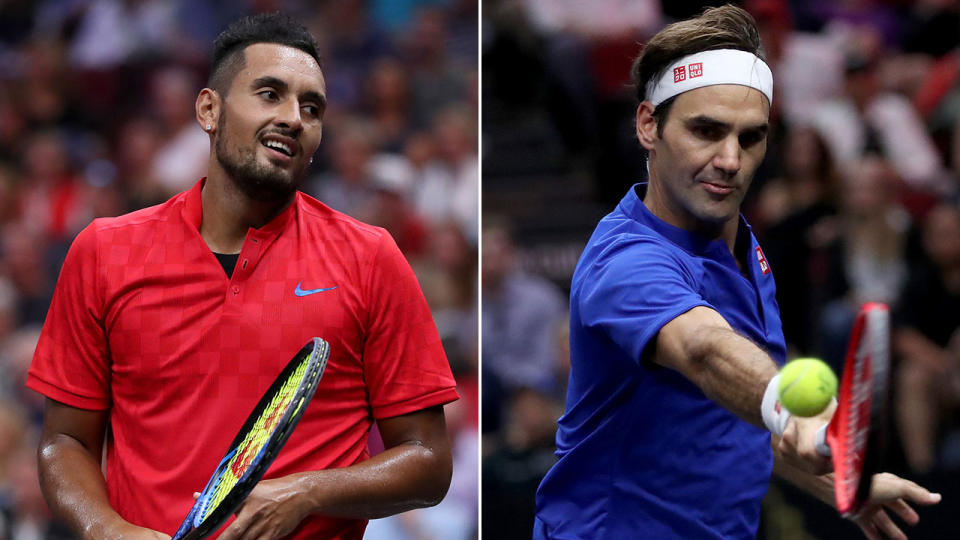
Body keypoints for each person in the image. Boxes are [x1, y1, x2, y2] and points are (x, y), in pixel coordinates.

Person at [27, 13, 459, 540]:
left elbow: (428, 460)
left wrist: (306, 492)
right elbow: (64, 442)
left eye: (312, 107)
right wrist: (107, 530)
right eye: (270, 93)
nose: (294, 118)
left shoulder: (370, 257)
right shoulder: (104, 251)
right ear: (209, 109)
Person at [533, 6, 939, 539]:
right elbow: (707, 351)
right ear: (648, 125)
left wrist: (844, 478)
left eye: (750, 138)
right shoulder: (626, 261)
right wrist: (791, 409)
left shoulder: (746, 248)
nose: (730, 159)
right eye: (706, 130)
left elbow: (737, 416)